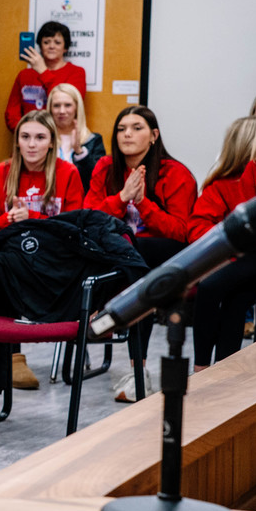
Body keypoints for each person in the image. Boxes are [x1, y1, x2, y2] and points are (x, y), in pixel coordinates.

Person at [84, 105, 196, 401]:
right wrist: (121, 198)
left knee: (138, 263)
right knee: (118, 254)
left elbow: (181, 232)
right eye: (121, 129)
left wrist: (144, 203)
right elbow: (88, 218)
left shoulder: (176, 173)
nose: (127, 134)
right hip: (119, 254)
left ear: (154, 135)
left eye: (136, 128)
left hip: (162, 255)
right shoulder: (105, 168)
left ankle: (137, 370)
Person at [0, 110, 84, 389]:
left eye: (40, 137)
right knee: (0, 262)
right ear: (17, 141)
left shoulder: (68, 173)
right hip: (12, 260)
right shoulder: (0, 173)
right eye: (25, 137)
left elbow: (76, 230)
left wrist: (33, 219)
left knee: (4, 264)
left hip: (54, 262)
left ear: (51, 142)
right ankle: (11, 356)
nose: (32, 144)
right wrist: (9, 220)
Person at [189, 116, 256, 370]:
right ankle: (207, 369)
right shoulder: (223, 183)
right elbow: (198, 226)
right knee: (216, 288)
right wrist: (225, 251)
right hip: (248, 252)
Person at [4, 21, 86, 130]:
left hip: (61, 136)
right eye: (46, 42)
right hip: (28, 136)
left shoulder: (77, 73)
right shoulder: (24, 75)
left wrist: (43, 72)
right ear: (40, 46)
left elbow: (67, 105)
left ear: (65, 48)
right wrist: (23, 132)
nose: (51, 46)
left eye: (57, 42)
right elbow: (12, 112)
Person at [45, 82, 105, 191]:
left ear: (77, 108)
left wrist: (79, 152)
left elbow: (98, 180)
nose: (62, 111)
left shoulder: (93, 140)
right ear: (50, 109)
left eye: (68, 105)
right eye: (56, 105)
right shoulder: (42, 139)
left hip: (81, 204)